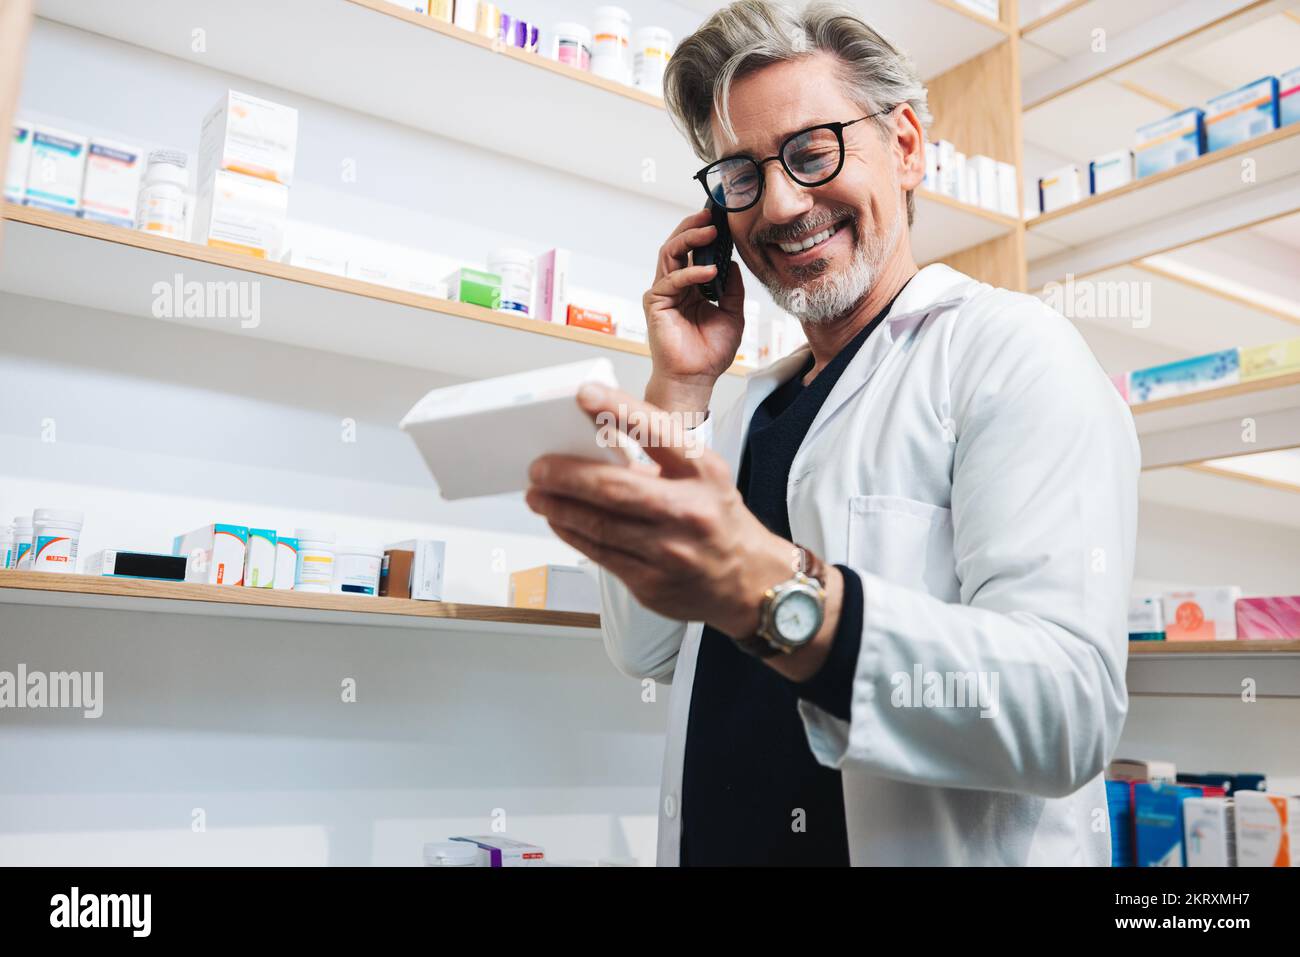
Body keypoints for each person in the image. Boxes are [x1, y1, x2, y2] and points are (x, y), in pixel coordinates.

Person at [525, 0, 1139, 866]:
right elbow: (644, 644)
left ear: (907, 147)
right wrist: (680, 382)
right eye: (740, 174)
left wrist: (780, 595)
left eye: (812, 151)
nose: (779, 203)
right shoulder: (746, 414)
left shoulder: (1011, 352)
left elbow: (1068, 715)